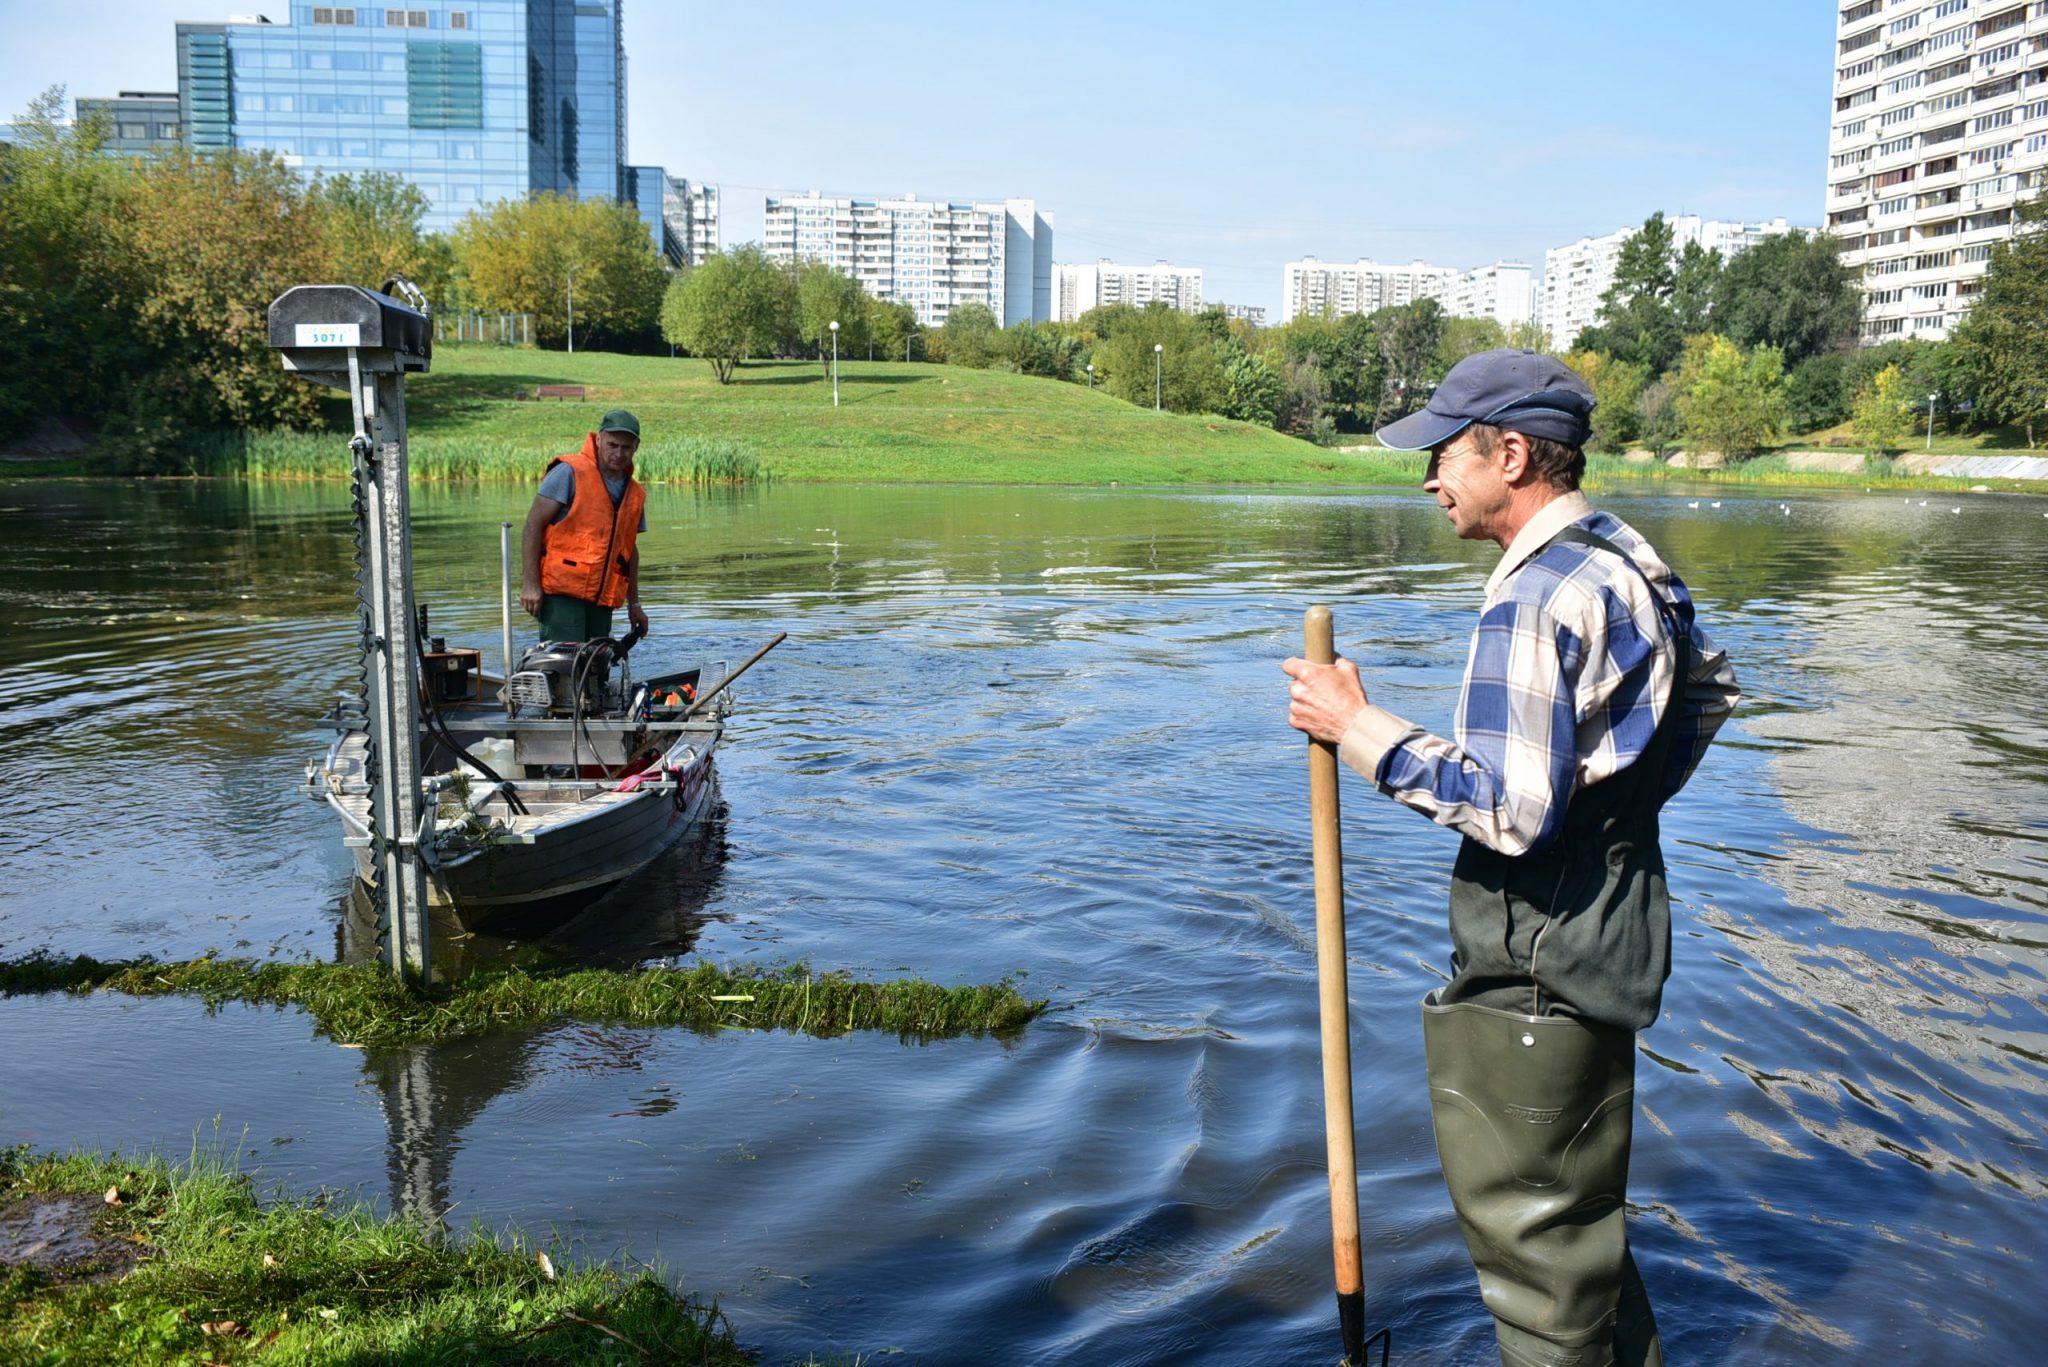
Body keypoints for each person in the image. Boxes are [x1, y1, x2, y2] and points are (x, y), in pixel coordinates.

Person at [1282, 350, 1738, 1367]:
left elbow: (1510, 810)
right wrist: (1615, 814)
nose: (1430, 479)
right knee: (1578, 1232)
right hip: (1611, 932)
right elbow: (1706, 686)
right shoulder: (1623, 555)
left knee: (1535, 1254)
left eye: (1443, 454)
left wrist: (1354, 726)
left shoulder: (1530, 597)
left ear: (1513, 452)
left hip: (1534, 956)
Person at [520, 409, 651, 643]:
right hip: (561, 594)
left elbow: (629, 551)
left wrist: (635, 604)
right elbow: (532, 525)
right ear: (599, 439)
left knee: (596, 667)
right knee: (565, 666)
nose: (619, 453)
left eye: (626, 447)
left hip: (602, 598)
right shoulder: (569, 472)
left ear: (636, 447)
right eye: (612, 445)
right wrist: (530, 585)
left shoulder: (635, 494)